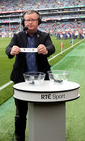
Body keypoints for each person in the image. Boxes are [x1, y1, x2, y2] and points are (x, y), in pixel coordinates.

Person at [5, 10, 55, 141]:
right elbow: (8, 49)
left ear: (39, 21)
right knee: (20, 113)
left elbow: (52, 47)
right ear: (23, 22)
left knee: (43, 110)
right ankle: (19, 137)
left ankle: (44, 136)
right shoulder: (17, 36)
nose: (30, 22)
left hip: (42, 80)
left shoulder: (44, 35)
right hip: (21, 80)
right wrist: (11, 50)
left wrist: (46, 50)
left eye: (33, 20)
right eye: (27, 20)